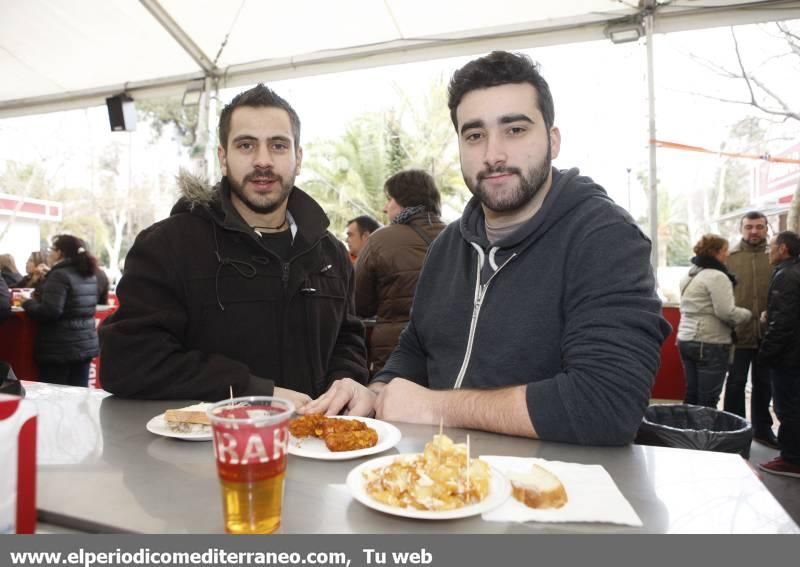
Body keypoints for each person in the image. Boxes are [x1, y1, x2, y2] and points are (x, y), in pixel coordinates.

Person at [303, 51, 670, 446]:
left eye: (514, 130)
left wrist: (434, 408)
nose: (493, 154)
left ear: (553, 139)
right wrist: (376, 394)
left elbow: (607, 406)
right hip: (440, 484)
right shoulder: (448, 245)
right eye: (475, 135)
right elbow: (416, 348)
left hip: (554, 492)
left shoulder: (605, 238)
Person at [99, 84, 368, 406]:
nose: (263, 161)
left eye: (279, 146)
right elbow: (128, 362)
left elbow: (347, 338)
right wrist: (252, 392)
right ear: (223, 158)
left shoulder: (330, 253)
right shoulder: (168, 246)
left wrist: (346, 381)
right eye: (246, 145)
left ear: (298, 158)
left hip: (316, 446)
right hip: (207, 451)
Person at [355, 170, 445, 375]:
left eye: (390, 199)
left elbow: (359, 302)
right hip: (448, 354)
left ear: (405, 200)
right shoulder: (457, 235)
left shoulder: (380, 240)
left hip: (396, 355)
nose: (385, 207)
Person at [677, 234, 752, 409]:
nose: (728, 255)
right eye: (725, 250)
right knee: (707, 400)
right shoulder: (717, 276)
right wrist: (749, 315)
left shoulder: (690, 275)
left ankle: (685, 433)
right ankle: (704, 435)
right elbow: (726, 312)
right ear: (716, 252)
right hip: (710, 342)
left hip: (686, 339)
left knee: (692, 394)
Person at [724, 211, 777, 447]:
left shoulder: (776, 255)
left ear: (767, 228)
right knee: (735, 383)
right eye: (749, 227)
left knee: (764, 384)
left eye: (759, 227)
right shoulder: (729, 258)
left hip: (769, 334)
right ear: (741, 229)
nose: (753, 231)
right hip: (738, 334)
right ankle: (733, 430)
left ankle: (762, 430)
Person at [22, 235, 99, 387]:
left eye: (51, 249)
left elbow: (50, 311)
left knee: (54, 401)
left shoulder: (59, 275)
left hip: (59, 349)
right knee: (78, 398)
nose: (49, 253)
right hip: (84, 344)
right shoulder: (88, 273)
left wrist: (28, 303)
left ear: (60, 252)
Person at [758, 231, 800, 478]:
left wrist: (766, 354)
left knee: (787, 408)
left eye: (771, 246)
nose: (768, 251)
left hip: (788, 357)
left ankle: (791, 459)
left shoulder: (786, 276)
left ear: (783, 248)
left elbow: (782, 323)